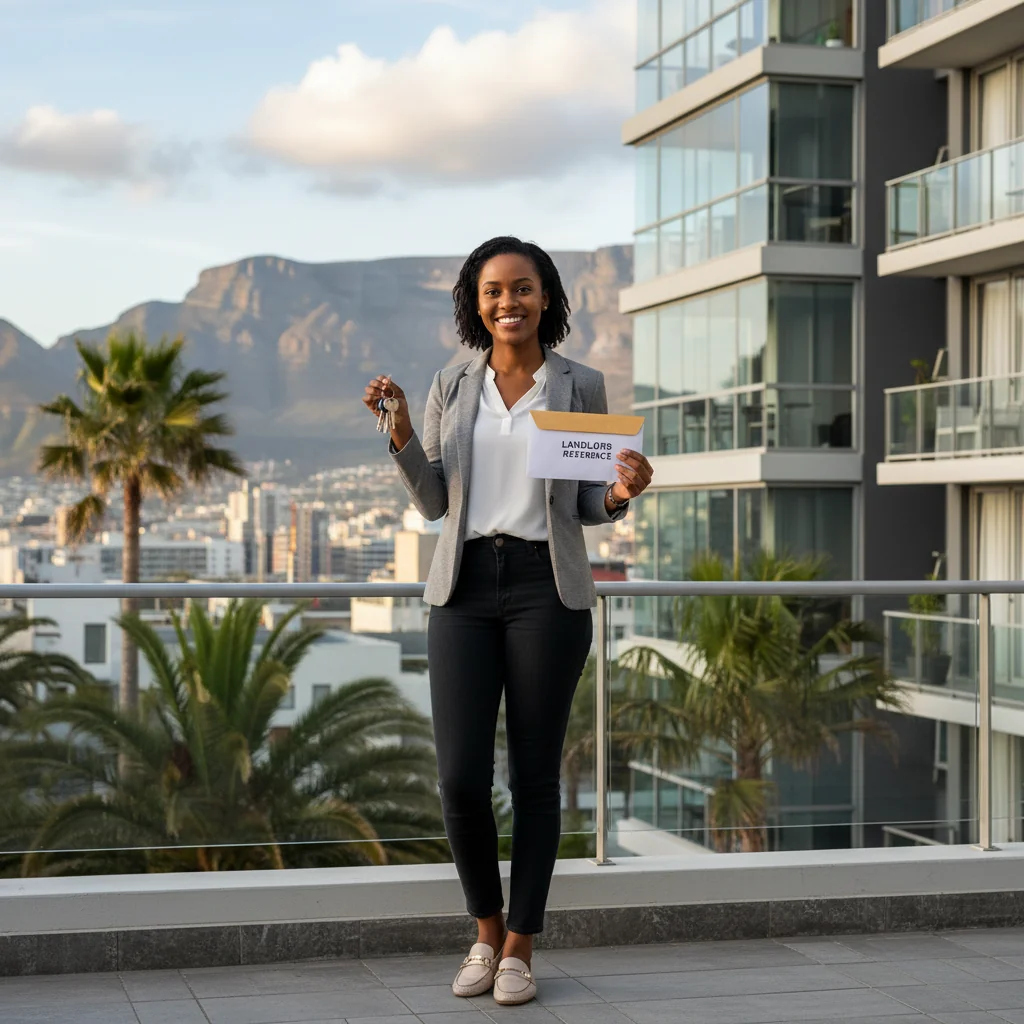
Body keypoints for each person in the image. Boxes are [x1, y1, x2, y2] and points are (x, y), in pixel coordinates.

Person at [363, 236, 653, 1007]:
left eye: (521, 289)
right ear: (475, 302)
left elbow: (588, 505)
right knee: (459, 777)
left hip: (544, 589)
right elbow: (432, 502)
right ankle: (484, 932)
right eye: (493, 291)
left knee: (533, 777)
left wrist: (624, 493)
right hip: (461, 589)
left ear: (547, 297)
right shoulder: (449, 382)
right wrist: (398, 435)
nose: (507, 303)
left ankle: (522, 946)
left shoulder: (580, 384)